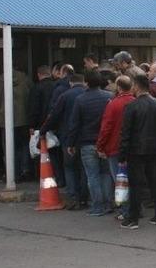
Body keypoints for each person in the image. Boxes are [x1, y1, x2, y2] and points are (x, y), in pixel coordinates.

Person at [118, 74, 156, 229]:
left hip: (136, 150)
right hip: (155, 149)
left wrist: (122, 154)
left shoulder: (131, 106)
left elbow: (125, 133)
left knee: (135, 185)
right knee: (155, 182)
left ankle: (133, 218)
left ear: (136, 86)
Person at [68, 70, 113, 217]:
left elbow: (74, 124)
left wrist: (71, 143)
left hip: (87, 142)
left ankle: (97, 206)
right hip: (106, 142)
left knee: (92, 175)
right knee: (106, 174)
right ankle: (108, 204)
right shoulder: (109, 97)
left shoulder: (80, 100)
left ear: (86, 83)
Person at [41, 74, 87, 210]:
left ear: (71, 83)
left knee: (70, 168)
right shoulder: (87, 95)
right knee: (84, 169)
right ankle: (84, 198)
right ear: (83, 82)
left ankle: (73, 198)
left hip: (68, 138)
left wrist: (43, 130)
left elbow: (54, 115)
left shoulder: (65, 96)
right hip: (86, 139)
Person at [96, 75, 136, 220]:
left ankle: (125, 211)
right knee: (133, 180)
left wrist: (100, 146)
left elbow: (106, 127)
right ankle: (135, 208)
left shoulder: (113, 104)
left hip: (115, 147)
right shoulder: (135, 102)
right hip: (134, 147)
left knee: (120, 181)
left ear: (118, 87)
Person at [0, 64, 32, 183]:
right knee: (24, 145)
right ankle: (26, 170)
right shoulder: (25, 79)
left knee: (8, 148)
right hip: (24, 118)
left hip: (5, 120)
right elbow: (31, 97)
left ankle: (12, 173)